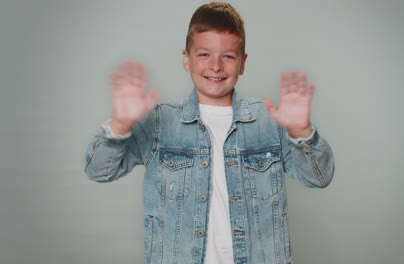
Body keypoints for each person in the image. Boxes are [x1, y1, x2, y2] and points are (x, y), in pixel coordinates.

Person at [84, 2, 334, 264]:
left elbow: (319, 177)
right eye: (204, 54)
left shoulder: (270, 121)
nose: (215, 66)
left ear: (242, 62)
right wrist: (120, 125)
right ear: (186, 58)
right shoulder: (159, 121)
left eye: (228, 56)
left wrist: (301, 131)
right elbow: (99, 171)